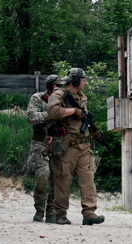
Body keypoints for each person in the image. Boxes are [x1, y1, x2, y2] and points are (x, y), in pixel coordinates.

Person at [47, 68, 105, 225]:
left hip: (84, 145)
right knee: (63, 180)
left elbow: (84, 119)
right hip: (67, 145)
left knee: (88, 179)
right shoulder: (59, 94)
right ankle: (60, 214)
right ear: (76, 81)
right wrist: (72, 110)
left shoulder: (81, 97)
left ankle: (89, 213)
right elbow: (52, 112)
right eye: (84, 80)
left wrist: (94, 131)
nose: (86, 82)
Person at [26, 75, 59, 223]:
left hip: (58, 144)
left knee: (56, 179)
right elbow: (32, 117)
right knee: (42, 177)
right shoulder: (37, 98)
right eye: (57, 86)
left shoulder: (62, 100)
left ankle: (51, 212)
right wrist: (51, 114)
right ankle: (39, 211)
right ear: (50, 86)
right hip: (40, 143)